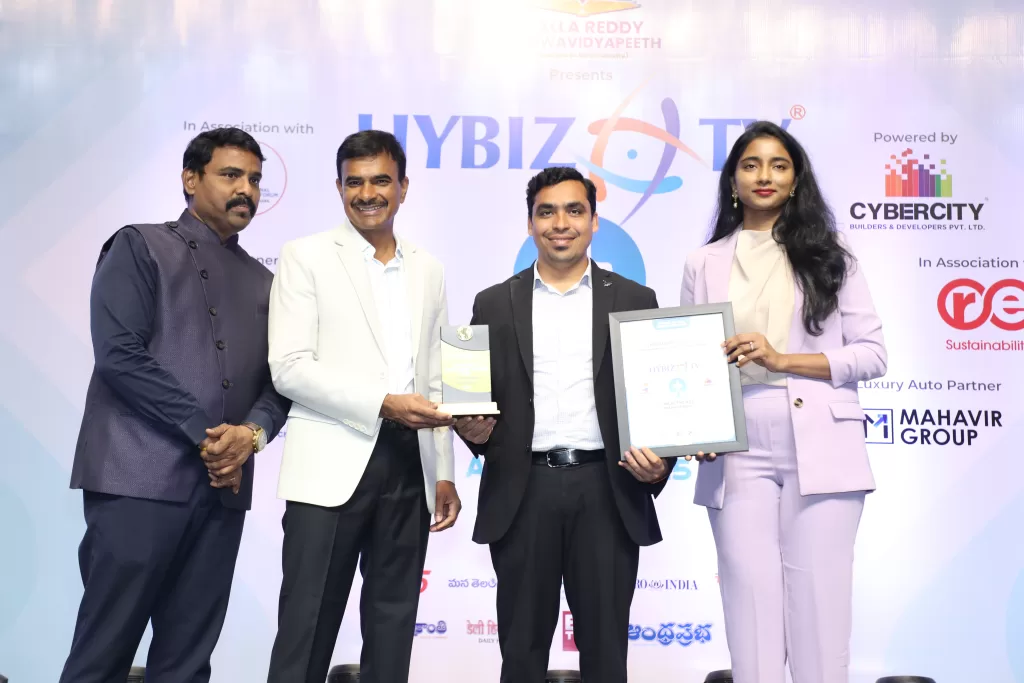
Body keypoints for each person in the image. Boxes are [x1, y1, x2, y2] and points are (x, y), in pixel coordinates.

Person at [60, 127, 291, 683]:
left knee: (188, 661)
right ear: (190, 179)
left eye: (254, 179)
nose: (246, 189)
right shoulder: (138, 246)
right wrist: (208, 433)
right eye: (230, 175)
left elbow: (281, 381)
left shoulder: (267, 282)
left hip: (221, 493)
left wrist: (250, 436)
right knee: (102, 653)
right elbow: (119, 355)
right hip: (136, 480)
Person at [680, 121, 887, 683]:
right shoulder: (703, 262)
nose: (764, 175)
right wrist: (692, 427)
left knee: (820, 617)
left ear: (796, 179)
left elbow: (871, 355)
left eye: (778, 164)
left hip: (820, 440)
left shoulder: (832, 253)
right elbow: (692, 361)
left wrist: (782, 359)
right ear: (732, 181)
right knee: (749, 615)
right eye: (750, 165)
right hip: (735, 446)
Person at [454, 166, 675, 683]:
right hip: (522, 491)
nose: (560, 223)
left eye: (574, 210)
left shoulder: (635, 299)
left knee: (606, 654)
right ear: (530, 223)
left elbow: (659, 396)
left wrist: (663, 458)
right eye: (546, 212)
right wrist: (470, 431)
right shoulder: (493, 302)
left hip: (608, 489)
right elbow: (474, 404)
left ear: (594, 221)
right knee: (521, 652)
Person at [266, 129, 461, 683]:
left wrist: (443, 472)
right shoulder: (304, 256)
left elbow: (436, 374)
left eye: (381, 181)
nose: (367, 193)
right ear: (338, 187)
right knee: (306, 628)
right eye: (354, 182)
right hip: (329, 466)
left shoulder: (429, 267)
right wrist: (383, 404)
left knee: (394, 625)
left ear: (404, 187)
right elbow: (289, 367)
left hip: (409, 465)